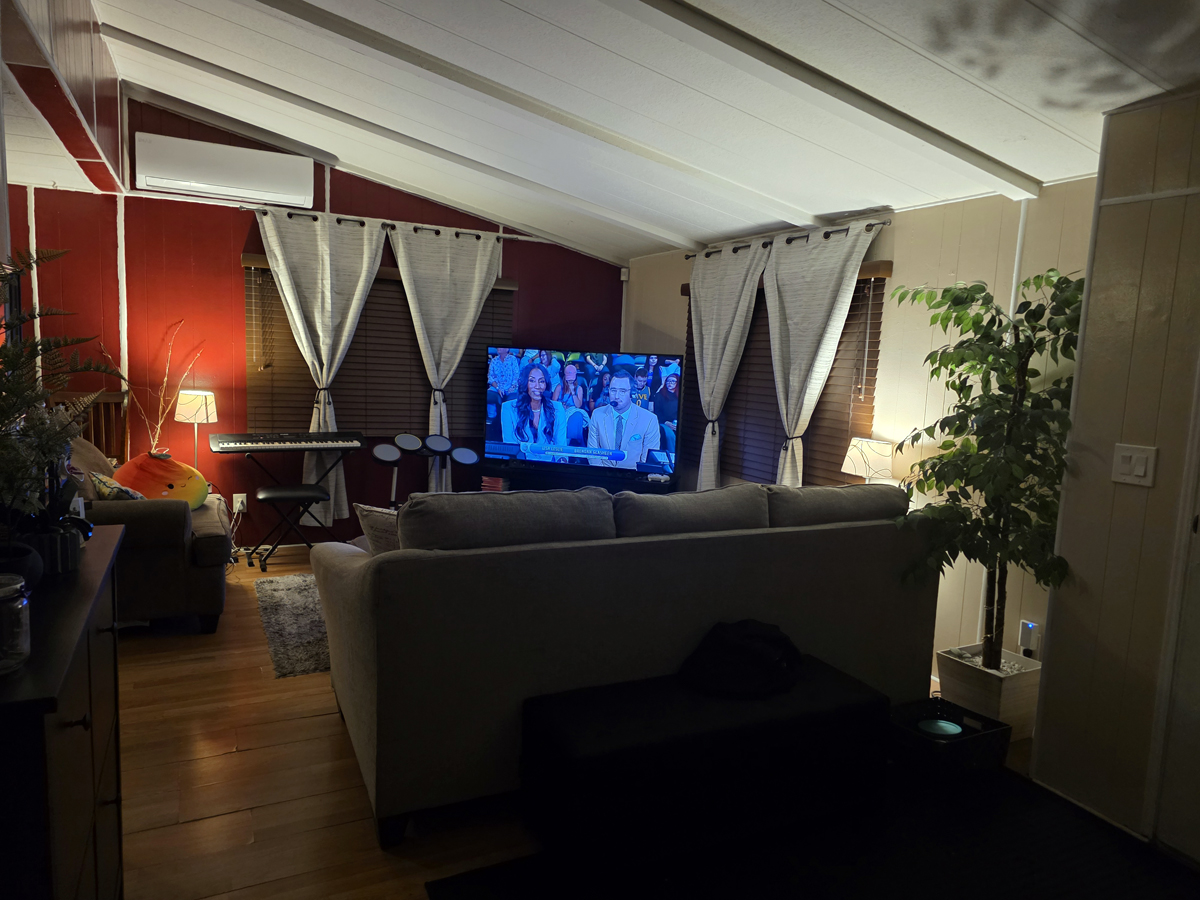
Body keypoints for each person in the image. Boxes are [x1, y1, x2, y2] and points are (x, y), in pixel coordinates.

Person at [587, 371, 660, 468]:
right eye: (613, 390)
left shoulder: (650, 419)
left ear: (632, 393)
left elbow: (647, 461)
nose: (616, 396)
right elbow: (593, 454)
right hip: (602, 474)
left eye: (622, 391)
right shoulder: (597, 415)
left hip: (633, 475)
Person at [501, 362, 568, 450]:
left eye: (541, 381)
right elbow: (510, 449)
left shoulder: (558, 408)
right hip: (521, 458)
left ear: (546, 385)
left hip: (549, 458)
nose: (537, 386)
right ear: (525, 383)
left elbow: (561, 449)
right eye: (532, 381)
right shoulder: (508, 408)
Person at [553, 362, 590, 444]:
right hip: (561, 410)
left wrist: (573, 392)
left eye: (572, 379)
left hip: (572, 410)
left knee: (578, 415)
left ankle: (574, 441)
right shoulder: (559, 387)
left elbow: (578, 405)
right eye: (568, 379)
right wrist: (561, 405)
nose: (570, 381)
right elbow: (553, 403)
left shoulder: (579, 389)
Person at [654, 370, 680, 453]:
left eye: (673, 381)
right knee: (669, 435)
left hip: (676, 423)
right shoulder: (659, 395)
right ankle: (672, 455)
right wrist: (666, 422)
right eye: (668, 381)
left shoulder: (680, 396)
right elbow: (657, 412)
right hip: (664, 422)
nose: (670, 383)